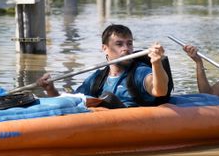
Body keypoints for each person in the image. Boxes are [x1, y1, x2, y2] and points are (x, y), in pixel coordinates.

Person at [36, 24, 171, 107]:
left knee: (109, 98)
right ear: (104, 48)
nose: (126, 48)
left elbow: (160, 91)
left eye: (129, 43)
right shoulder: (97, 78)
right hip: (102, 121)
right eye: (119, 44)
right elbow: (71, 103)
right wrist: (50, 90)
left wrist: (156, 63)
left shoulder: (140, 72)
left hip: (132, 123)